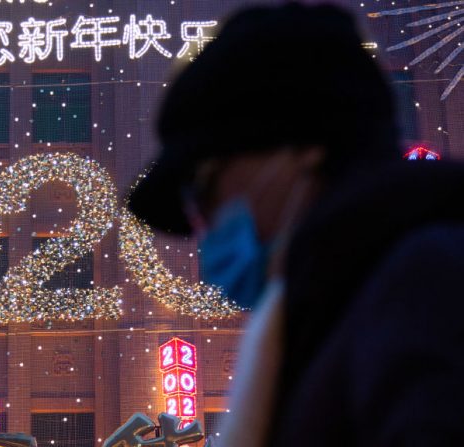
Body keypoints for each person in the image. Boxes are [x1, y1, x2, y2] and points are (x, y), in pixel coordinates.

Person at [128, 3, 464, 446]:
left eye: (205, 183)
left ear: (303, 146)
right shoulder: (329, 304)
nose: (201, 219)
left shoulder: (421, 282)